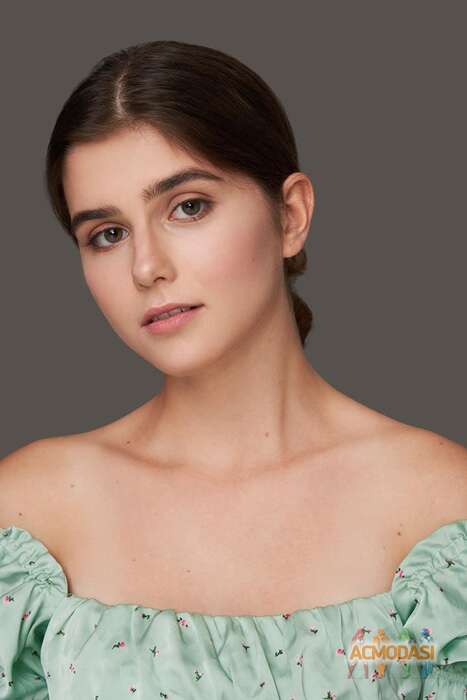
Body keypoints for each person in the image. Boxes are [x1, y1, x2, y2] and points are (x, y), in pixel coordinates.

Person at [0, 39, 466, 699]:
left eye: (187, 207)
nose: (146, 267)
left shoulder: (444, 514)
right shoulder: (27, 519)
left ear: (290, 216)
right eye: (108, 234)